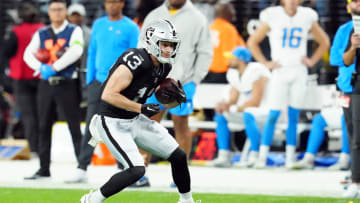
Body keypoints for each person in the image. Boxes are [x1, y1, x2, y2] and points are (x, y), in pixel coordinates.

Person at [80, 19, 195, 203]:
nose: (168, 49)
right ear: (152, 42)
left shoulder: (165, 66)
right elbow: (108, 94)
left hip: (134, 118)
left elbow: (149, 91)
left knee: (179, 156)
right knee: (137, 170)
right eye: (164, 44)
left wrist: (173, 99)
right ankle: (92, 199)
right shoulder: (135, 59)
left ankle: (186, 201)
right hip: (111, 120)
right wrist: (141, 107)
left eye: (171, 45)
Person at [247, 0, 330, 168]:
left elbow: (325, 41)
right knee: (273, 114)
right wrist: (266, 63)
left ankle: (290, 157)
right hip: (280, 70)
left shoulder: (307, 15)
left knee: (293, 115)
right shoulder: (272, 14)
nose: (292, 2)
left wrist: (312, 60)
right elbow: (252, 42)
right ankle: (262, 156)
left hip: (299, 70)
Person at [138, 0, 213, 187]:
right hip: (154, 81)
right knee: (147, 125)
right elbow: (142, 46)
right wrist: (146, 76)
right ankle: (139, 172)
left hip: (182, 82)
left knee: (182, 126)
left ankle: (180, 176)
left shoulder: (198, 18)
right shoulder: (154, 16)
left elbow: (205, 52)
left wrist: (195, 80)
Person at [65, 0, 140, 184]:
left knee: (119, 126)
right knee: (92, 125)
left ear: (122, 4)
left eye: (114, 2)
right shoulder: (98, 24)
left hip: (120, 86)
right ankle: (82, 168)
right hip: (97, 82)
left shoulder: (131, 28)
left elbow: (136, 57)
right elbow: (92, 52)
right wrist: (90, 80)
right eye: (108, 2)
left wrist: (131, 84)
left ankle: (124, 167)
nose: (111, 6)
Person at [23, 0, 84, 179]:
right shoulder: (41, 33)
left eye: (60, 9)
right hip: (46, 84)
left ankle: (81, 168)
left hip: (67, 83)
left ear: (65, 11)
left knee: (74, 125)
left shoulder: (74, 30)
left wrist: (54, 67)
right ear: (49, 12)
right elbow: (28, 54)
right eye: (53, 10)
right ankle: (43, 169)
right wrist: (39, 68)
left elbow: (76, 52)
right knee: (43, 125)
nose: (56, 12)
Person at [207, 46, 271, 168]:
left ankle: (255, 155)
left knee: (248, 114)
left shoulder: (257, 71)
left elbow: (256, 102)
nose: (229, 61)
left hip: (266, 110)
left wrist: (235, 108)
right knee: (221, 116)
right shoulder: (234, 73)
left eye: (232, 58)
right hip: (249, 110)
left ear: (241, 60)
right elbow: (233, 98)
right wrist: (224, 104)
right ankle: (224, 155)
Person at [2, 1, 44, 153]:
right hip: (40, 76)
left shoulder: (16, 31)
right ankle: (43, 147)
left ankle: (34, 148)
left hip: (21, 78)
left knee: (28, 115)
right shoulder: (42, 29)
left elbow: (6, 53)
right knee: (42, 114)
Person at [330, 0, 360, 198]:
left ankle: (356, 180)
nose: (357, 4)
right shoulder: (345, 30)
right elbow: (337, 59)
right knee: (352, 136)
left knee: (358, 137)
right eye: (354, 1)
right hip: (348, 87)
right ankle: (354, 177)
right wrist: (353, 46)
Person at [292, 89, 350, 170]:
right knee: (318, 119)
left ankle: (344, 160)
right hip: (342, 104)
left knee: (347, 118)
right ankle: (309, 159)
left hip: (353, 105)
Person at [202, 2, 246, 84]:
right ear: (225, 12)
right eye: (231, 9)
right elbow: (229, 54)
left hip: (208, 73)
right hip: (223, 74)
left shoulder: (211, 27)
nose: (234, 12)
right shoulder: (228, 29)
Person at [67, 3, 91, 106]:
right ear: (68, 17)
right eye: (73, 15)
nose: (76, 18)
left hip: (84, 71)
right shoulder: (63, 32)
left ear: (83, 16)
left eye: (78, 15)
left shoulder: (90, 33)